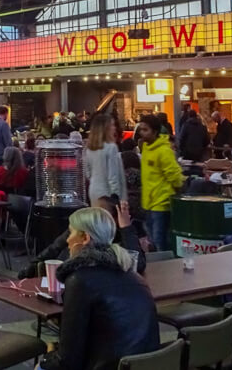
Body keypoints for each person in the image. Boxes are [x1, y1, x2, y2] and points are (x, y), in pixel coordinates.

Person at [37, 207, 160, 370]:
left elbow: (68, 361)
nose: (67, 240)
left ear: (85, 238)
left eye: (71, 233)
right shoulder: (133, 274)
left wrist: (45, 360)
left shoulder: (80, 280)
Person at [139, 114, 183, 252]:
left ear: (155, 131)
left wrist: (176, 191)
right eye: (141, 129)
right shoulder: (145, 148)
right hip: (148, 203)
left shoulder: (164, 151)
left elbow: (175, 175)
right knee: (152, 240)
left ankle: (165, 269)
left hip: (161, 204)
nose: (141, 133)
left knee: (160, 242)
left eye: (145, 129)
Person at [84, 114, 125, 203]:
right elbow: (113, 175)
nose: (114, 128)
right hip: (108, 193)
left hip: (94, 190)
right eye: (112, 125)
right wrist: (116, 194)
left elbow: (87, 173)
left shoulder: (89, 148)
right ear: (106, 128)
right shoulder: (111, 148)